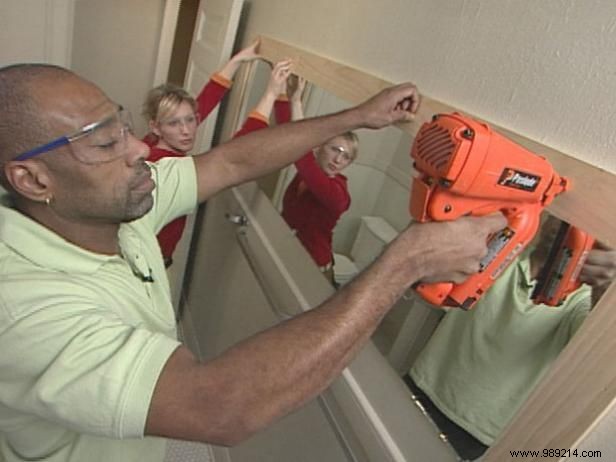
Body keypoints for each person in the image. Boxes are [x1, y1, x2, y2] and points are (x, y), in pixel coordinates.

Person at [0, 61, 506, 462]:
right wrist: (406, 261)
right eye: (105, 141)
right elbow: (217, 407)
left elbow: (230, 161)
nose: (137, 149)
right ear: (33, 180)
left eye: (124, 126)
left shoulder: (107, 206)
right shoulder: (22, 308)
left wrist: (355, 117)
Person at [407, 216, 616, 461]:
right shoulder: (500, 251)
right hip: (421, 384)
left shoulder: (581, 301)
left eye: (579, 229)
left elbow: (598, 352)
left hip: (477, 433)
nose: (565, 230)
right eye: (561, 220)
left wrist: (606, 293)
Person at [234, 64, 358, 284]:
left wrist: (293, 100)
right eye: (334, 149)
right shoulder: (309, 171)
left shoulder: (337, 194)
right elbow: (289, 134)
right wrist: (284, 91)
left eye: (346, 156)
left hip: (314, 268)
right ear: (319, 146)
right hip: (290, 252)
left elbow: (299, 148)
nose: (338, 160)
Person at [143, 40, 259, 267]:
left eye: (190, 120)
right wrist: (272, 94)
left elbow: (201, 105)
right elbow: (238, 152)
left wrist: (236, 61)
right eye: (174, 124)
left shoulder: (149, 144)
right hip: (148, 265)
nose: (186, 131)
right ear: (156, 126)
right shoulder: (174, 168)